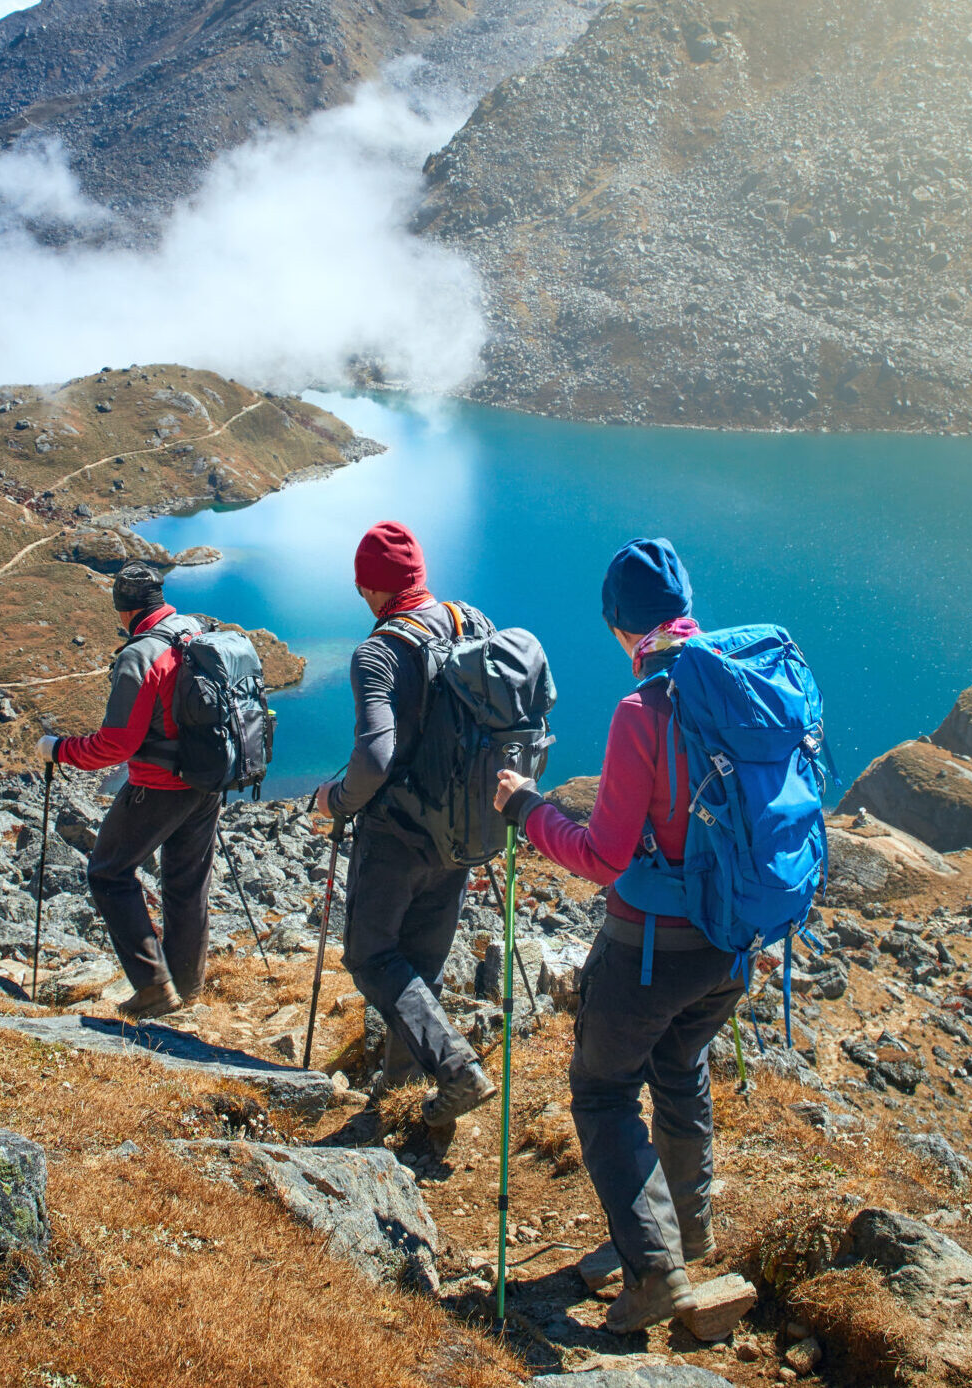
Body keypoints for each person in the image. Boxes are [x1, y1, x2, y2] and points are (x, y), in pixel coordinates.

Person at [491, 538, 736, 1334]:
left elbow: (602, 856)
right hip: (734, 942)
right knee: (680, 1064)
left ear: (618, 626)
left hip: (653, 948)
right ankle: (688, 1232)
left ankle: (656, 1272)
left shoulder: (645, 709)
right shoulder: (740, 680)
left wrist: (527, 808)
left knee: (601, 1094)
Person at [310, 520, 498, 1147]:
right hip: (463, 831)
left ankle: (455, 1069)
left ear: (370, 586)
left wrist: (334, 800)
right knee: (418, 967)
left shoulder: (379, 650)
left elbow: (375, 759)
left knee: (370, 957)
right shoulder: (471, 622)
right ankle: (409, 1106)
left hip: (397, 836)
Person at [36, 562, 219, 1021]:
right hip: (208, 780)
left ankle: (155, 989)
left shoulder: (140, 655)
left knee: (108, 873)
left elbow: (116, 744)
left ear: (124, 609)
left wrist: (58, 749)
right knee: (186, 881)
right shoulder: (192, 629)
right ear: (158, 598)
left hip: (159, 786)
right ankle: (187, 984)